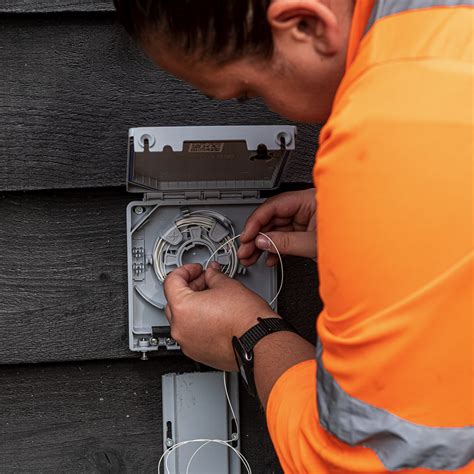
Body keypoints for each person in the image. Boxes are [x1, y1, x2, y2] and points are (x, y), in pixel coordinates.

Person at [114, 1, 473, 472]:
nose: (258, 102)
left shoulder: (384, 133)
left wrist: (251, 336)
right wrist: (381, 228)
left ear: (305, 24)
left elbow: (362, 462)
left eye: (247, 92)